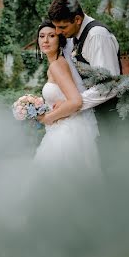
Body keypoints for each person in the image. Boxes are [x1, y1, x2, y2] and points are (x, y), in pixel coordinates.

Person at [40, 0, 122, 134]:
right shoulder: (74, 38)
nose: (58, 32)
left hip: (113, 118)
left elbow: (109, 85)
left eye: (62, 27)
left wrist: (71, 104)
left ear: (77, 19)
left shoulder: (96, 36)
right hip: (92, 117)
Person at [33, 21, 100, 170]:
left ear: (60, 39)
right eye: (42, 36)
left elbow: (76, 102)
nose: (45, 40)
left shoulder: (57, 65)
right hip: (64, 127)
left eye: (51, 36)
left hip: (67, 133)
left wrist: (47, 118)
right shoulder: (57, 64)